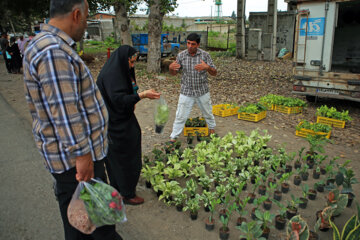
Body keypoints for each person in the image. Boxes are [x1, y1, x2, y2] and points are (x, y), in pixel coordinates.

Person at [23, 0, 123, 239]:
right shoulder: (54, 52)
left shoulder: (44, 44)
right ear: (77, 14)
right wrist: (83, 155)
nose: (86, 24)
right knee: (94, 229)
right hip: (76, 164)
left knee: (86, 225)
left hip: (73, 160)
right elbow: (65, 110)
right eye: (87, 17)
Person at [96, 45, 160, 205]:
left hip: (122, 118)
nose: (133, 66)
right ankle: (127, 193)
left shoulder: (120, 70)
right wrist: (142, 95)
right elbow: (118, 99)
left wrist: (134, 97)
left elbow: (129, 90)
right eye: (131, 62)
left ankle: (119, 189)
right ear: (123, 60)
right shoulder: (111, 75)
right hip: (115, 123)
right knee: (124, 157)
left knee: (119, 157)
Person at [168, 33, 217, 141]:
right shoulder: (181, 55)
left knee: (208, 111)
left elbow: (214, 73)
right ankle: (173, 137)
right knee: (180, 115)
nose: (190, 46)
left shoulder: (205, 55)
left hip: (202, 90)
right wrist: (171, 68)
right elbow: (174, 73)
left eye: (193, 44)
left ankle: (212, 130)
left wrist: (207, 67)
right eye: (188, 43)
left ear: (198, 45)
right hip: (186, 90)